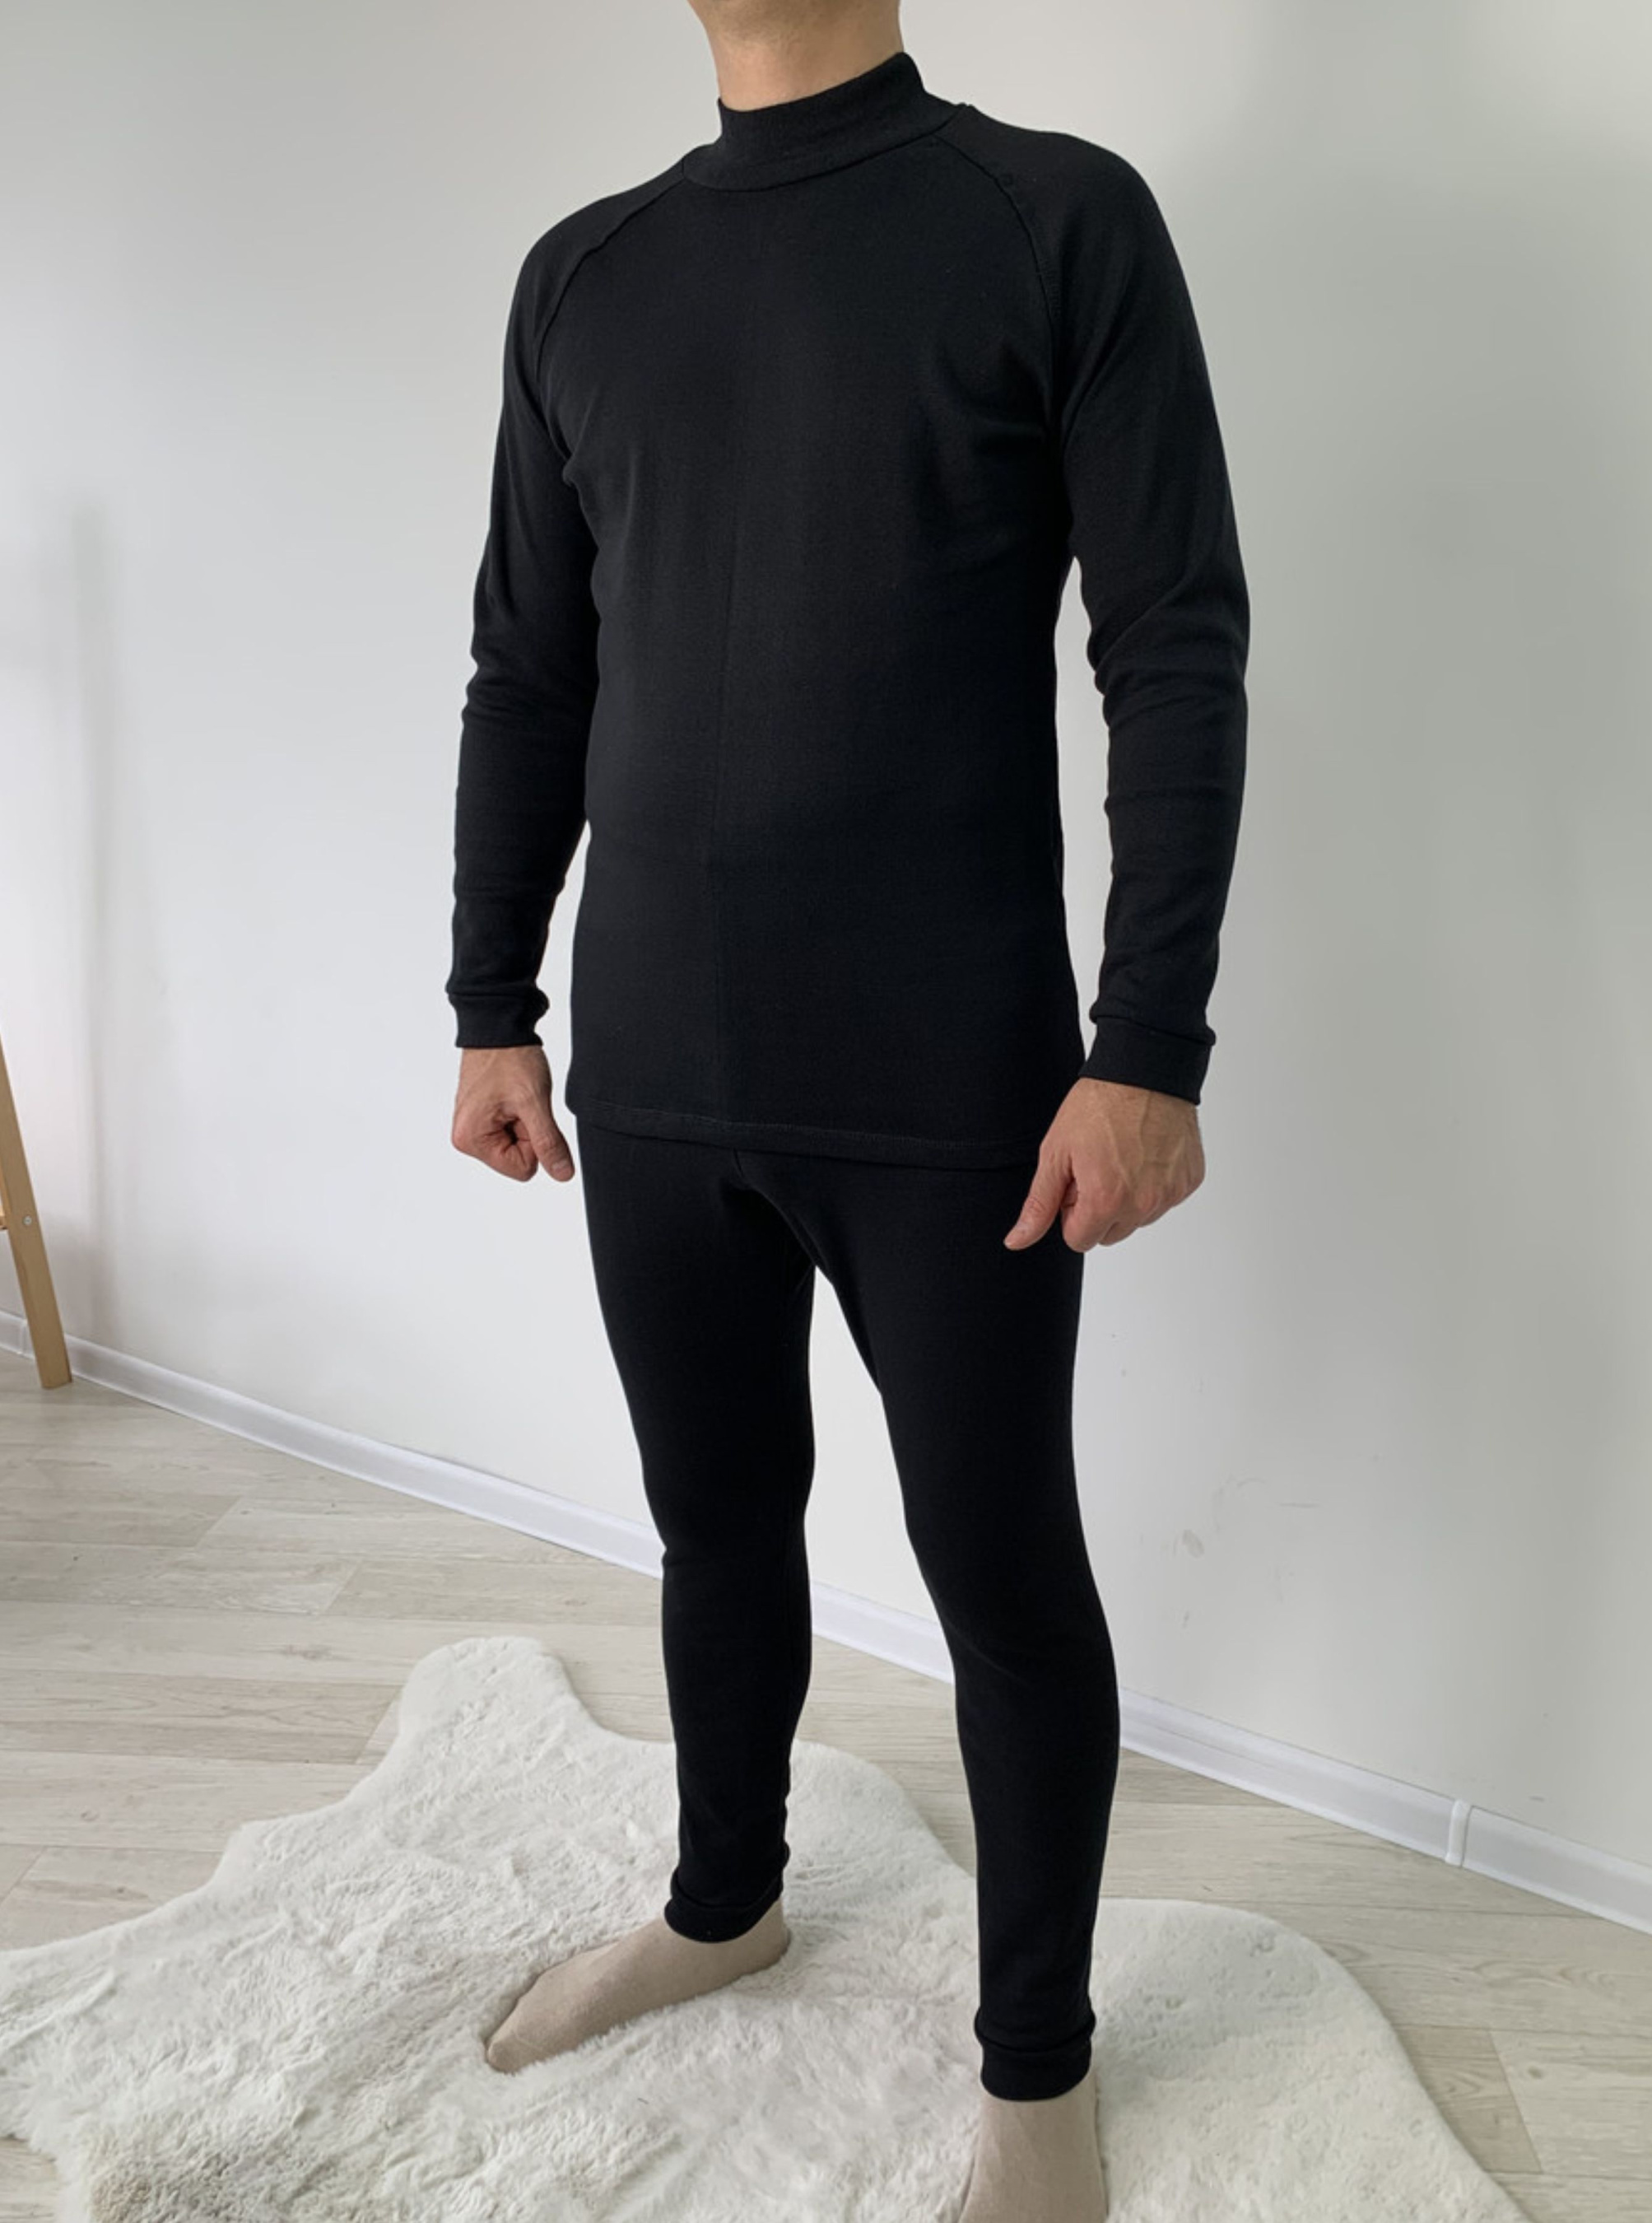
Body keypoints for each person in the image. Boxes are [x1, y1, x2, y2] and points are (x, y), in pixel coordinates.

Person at [447, 1, 1249, 2214]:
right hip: (655, 1071)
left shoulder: (1052, 220)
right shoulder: (585, 273)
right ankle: (724, 1904)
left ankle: (1036, 2067)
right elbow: (532, 662)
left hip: (956, 1082)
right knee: (714, 1520)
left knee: (1000, 1573)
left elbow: (1172, 638)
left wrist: (1147, 1046)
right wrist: (492, 1002)